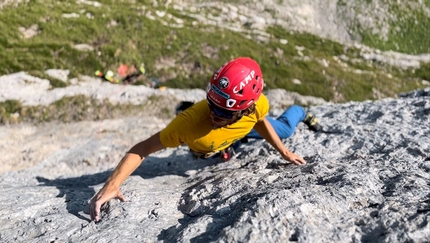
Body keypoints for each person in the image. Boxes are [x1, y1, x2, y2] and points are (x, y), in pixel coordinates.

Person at [88, 57, 321, 222]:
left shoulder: (258, 105)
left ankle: (301, 111)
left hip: (242, 131)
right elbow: (142, 149)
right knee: (219, 145)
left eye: (222, 112)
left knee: (286, 130)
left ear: (245, 108)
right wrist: (112, 184)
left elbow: (259, 121)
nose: (213, 114)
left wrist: (284, 152)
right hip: (224, 137)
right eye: (212, 105)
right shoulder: (188, 126)